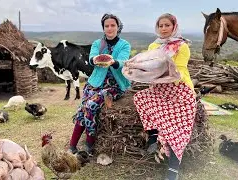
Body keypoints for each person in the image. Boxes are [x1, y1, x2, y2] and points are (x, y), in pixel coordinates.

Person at [132, 13, 196, 180]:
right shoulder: (154, 46)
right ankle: (153, 136)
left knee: (177, 129)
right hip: (159, 89)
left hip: (179, 90)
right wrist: (137, 67)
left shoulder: (182, 46)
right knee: (140, 98)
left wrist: (163, 69)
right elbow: (149, 67)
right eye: (161, 25)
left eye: (167, 25)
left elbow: (180, 70)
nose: (164, 28)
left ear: (174, 26)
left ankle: (173, 169)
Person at [68, 13, 131, 156]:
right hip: (95, 83)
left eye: (112, 25)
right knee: (82, 108)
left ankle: (90, 143)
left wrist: (114, 62)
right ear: (103, 28)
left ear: (118, 27)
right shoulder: (97, 43)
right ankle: (72, 145)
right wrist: (95, 59)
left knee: (91, 106)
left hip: (114, 85)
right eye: (106, 26)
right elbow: (92, 58)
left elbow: (123, 61)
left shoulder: (125, 45)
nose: (109, 28)